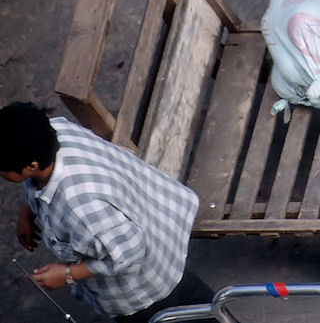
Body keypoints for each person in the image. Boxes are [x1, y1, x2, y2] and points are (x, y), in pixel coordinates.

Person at [0, 102, 213, 322]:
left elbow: (130, 251)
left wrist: (67, 274)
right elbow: (36, 178)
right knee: (198, 304)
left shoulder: (79, 207)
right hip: (153, 220)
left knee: (181, 312)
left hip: (146, 284)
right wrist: (28, 210)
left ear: (31, 166)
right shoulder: (53, 131)